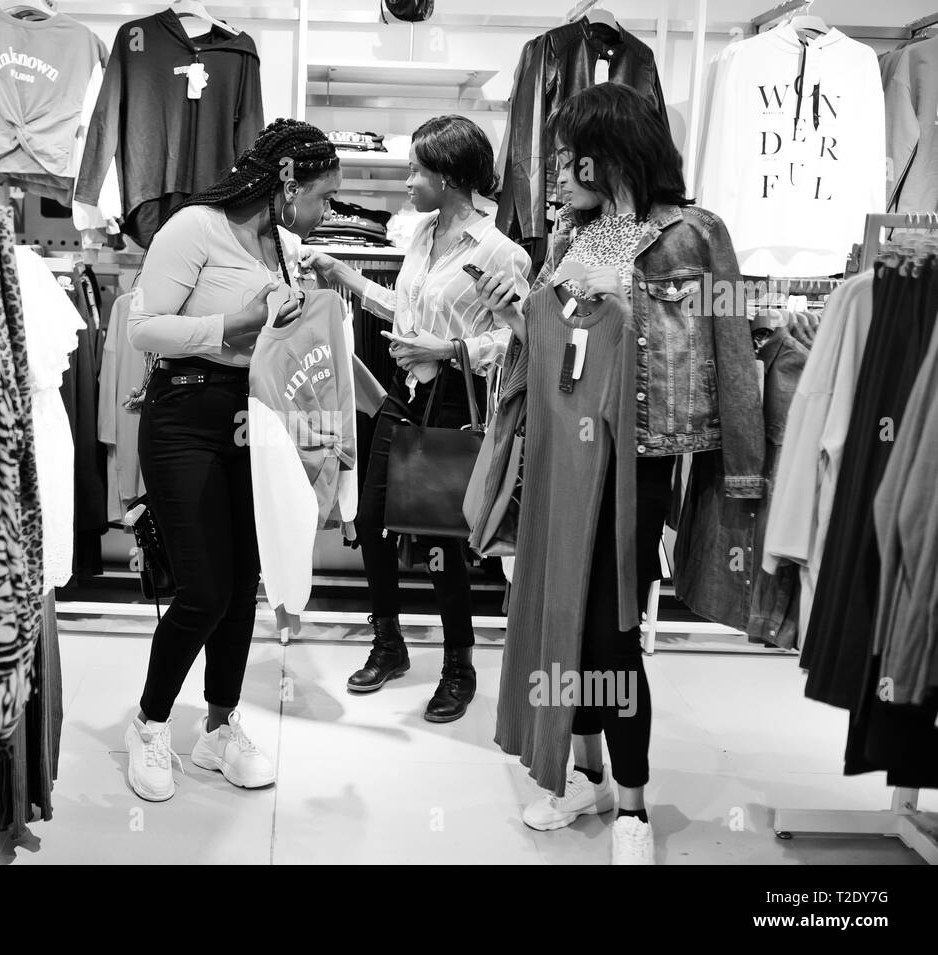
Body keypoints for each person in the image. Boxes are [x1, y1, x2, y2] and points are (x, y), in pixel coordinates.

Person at [474, 84, 764, 864]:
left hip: (644, 456)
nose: (559, 174)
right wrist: (513, 315)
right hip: (568, 456)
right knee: (564, 617)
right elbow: (551, 351)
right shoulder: (577, 234)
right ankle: (586, 773)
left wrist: (744, 473)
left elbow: (732, 339)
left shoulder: (697, 235)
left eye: (573, 158)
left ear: (615, 153)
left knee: (612, 629)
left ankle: (630, 801)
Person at [123, 119, 342, 802]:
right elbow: (142, 328)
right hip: (184, 415)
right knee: (202, 588)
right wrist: (233, 326)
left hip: (258, 422)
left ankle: (219, 725)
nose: (326, 212)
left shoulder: (284, 243)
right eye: (323, 197)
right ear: (286, 183)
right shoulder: (194, 229)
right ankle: (150, 721)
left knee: (245, 578)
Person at [302, 115, 531, 723]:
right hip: (406, 394)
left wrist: (449, 350)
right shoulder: (421, 235)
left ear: (451, 176)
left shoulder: (499, 252)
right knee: (372, 519)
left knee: (439, 538)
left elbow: (520, 343)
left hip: (458, 399)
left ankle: (460, 664)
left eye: (417, 171)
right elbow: (407, 312)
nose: (407, 182)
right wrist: (347, 278)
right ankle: (390, 645)